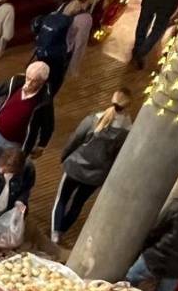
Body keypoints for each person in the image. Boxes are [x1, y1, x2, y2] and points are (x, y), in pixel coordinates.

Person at [52, 88, 133, 245]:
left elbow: (76, 138)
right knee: (78, 203)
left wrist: (64, 155)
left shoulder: (94, 119)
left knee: (62, 199)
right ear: (127, 106)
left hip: (76, 166)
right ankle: (62, 231)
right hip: (97, 174)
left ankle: (55, 230)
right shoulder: (126, 131)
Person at [0, 62, 54, 167]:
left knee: (6, 171)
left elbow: (48, 125)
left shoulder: (44, 101)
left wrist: (41, 145)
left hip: (16, 145)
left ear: (42, 82)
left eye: (33, 81)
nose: (28, 83)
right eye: (28, 78)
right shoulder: (17, 81)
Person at [30, 0, 91, 97]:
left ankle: (31, 95)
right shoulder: (85, 18)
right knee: (52, 85)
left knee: (38, 77)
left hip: (45, 49)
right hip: (60, 56)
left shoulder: (64, 6)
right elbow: (79, 44)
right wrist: (74, 68)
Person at [132, 0, 178, 68]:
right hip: (169, 0)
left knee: (143, 23)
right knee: (158, 29)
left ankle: (138, 49)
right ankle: (141, 52)